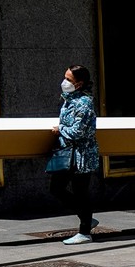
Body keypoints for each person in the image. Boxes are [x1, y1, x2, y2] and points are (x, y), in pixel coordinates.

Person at [47, 64, 99, 244]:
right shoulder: (70, 99)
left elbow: (78, 131)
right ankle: (86, 218)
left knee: (80, 192)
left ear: (79, 83)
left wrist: (60, 129)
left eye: (69, 79)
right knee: (57, 188)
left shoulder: (83, 103)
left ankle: (85, 232)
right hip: (68, 153)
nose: (64, 82)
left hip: (81, 156)